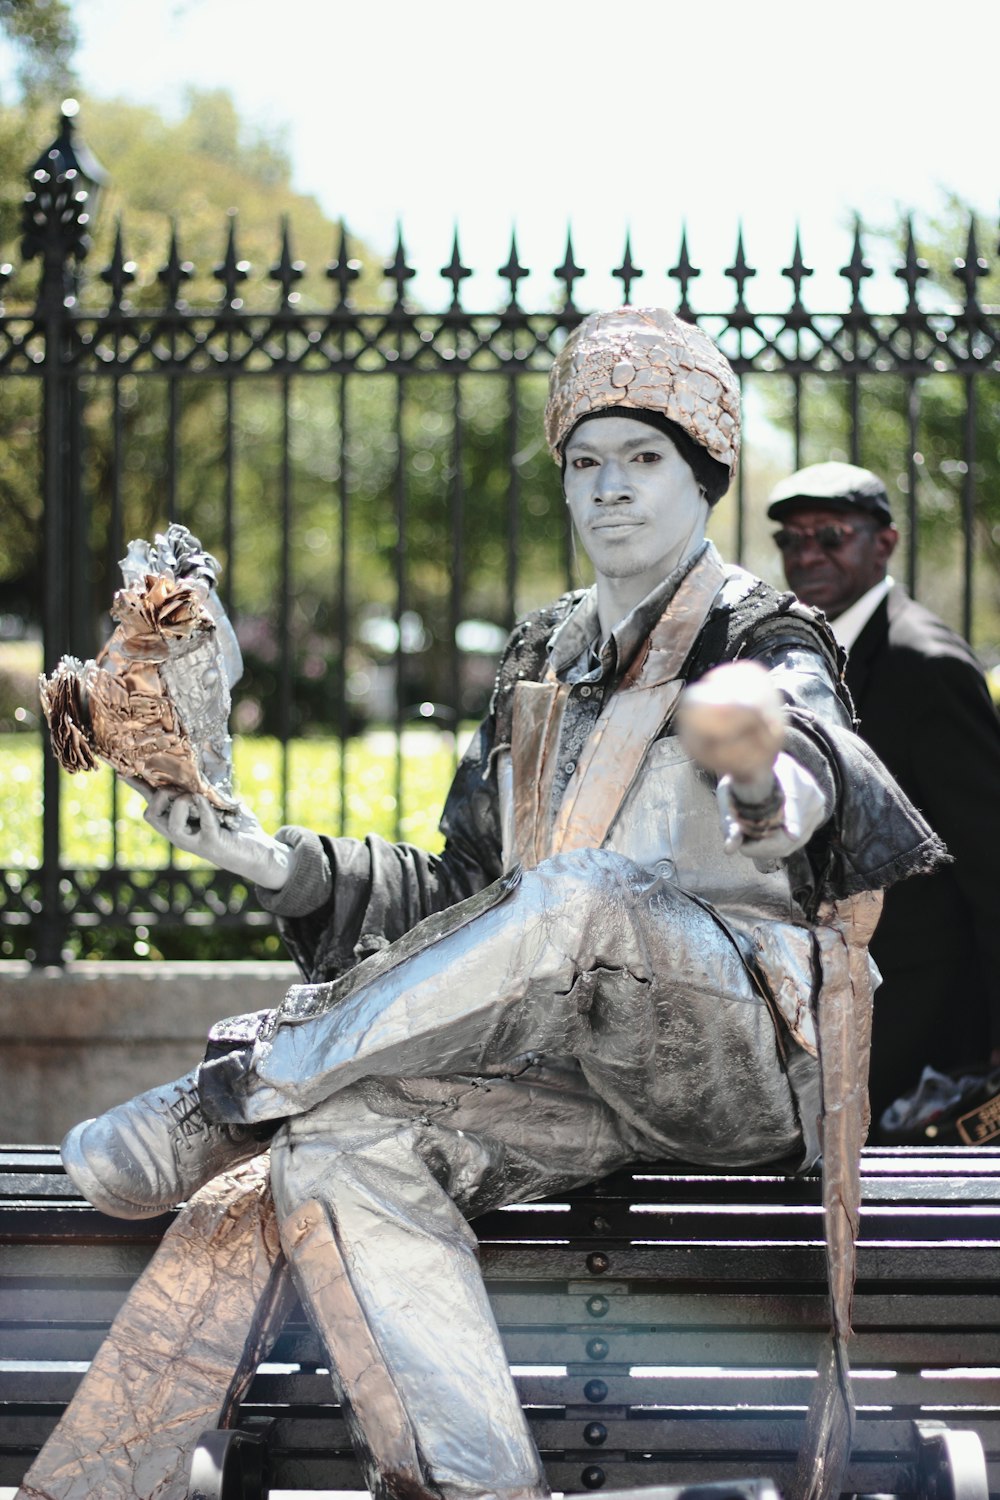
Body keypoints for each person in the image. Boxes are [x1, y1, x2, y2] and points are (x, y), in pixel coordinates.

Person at [61, 311, 943, 1500]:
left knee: (578, 896)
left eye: (643, 460)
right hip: (567, 1074)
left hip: (739, 1061)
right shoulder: (544, 650)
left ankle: (245, 1089)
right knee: (342, 1146)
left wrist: (765, 777)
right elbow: (467, 900)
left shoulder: (761, 633)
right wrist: (276, 864)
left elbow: (813, 765)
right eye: (587, 462)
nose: (609, 490)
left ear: (703, 480)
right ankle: (472, 1484)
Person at [768, 461, 1000, 1123]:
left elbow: (991, 859)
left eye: (832, 534)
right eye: (792, 539)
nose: (808, 552)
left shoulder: (925, 665)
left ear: (885, 543)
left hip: (924, 1019)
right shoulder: (807, 655)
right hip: (834, 1005)